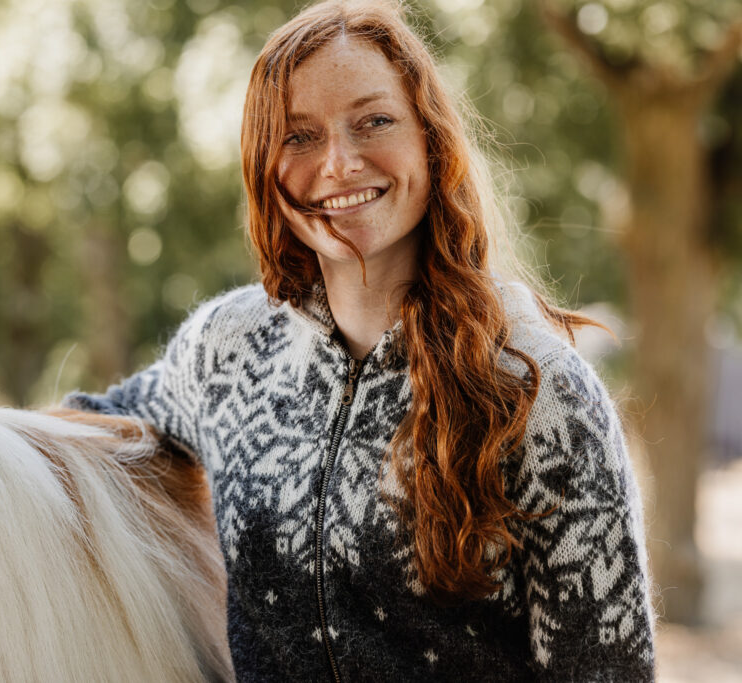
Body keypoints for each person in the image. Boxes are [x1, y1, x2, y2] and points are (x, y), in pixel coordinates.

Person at [65, 0, 656, 680]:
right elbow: (97, 427)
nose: (341, 163)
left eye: (374, 121)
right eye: (299, 135)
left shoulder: (537, 389)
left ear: (430, 141)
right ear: (264, 164)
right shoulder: (225, 350)